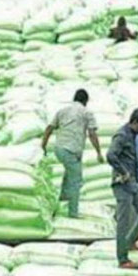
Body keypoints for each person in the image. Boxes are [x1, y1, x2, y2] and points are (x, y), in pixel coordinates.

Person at [40, 89, 103, 219]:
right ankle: (73, 213)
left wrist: (43, 146)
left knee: (69, 176)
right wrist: (98, 152)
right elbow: (92, 134)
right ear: (86, 101)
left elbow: (49, 128)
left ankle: (60, 202)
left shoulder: (62, 111)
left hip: (59, 149)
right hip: (71, 151)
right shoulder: (87, 113)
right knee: (76, 181)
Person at [108, 108, 138, 269]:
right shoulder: (122, 135)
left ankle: (130, 242)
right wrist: (123, 172)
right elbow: (110, 155)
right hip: (122, 184)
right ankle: (123, 259)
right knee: (123, 222)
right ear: (135, 122)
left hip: (132, 183)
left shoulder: (133, 135)